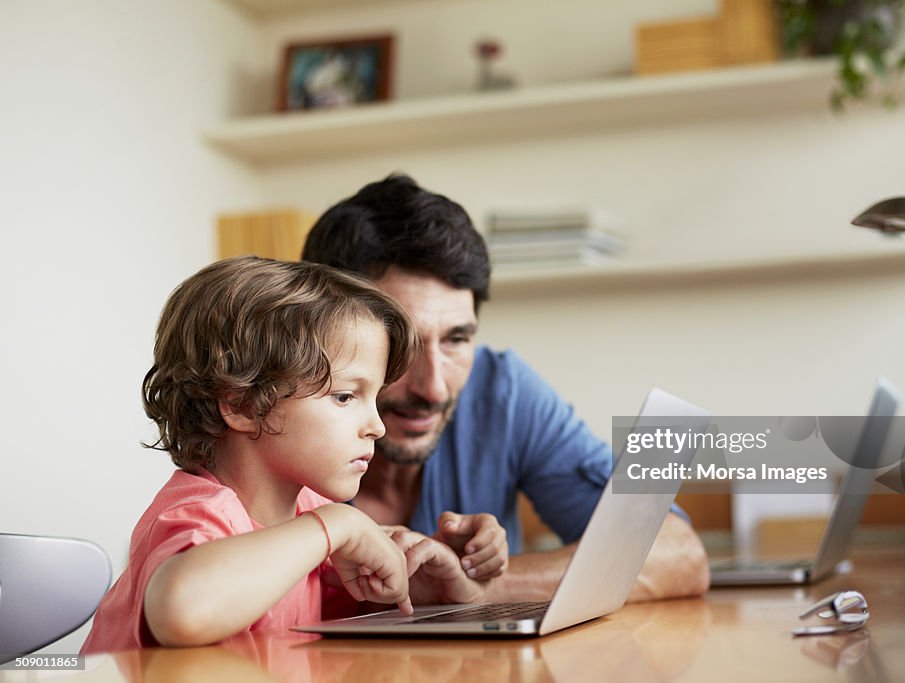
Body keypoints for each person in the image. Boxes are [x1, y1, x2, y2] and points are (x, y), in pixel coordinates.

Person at [302, 174, 710, 601]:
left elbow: (677, 553)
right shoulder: (275, 416)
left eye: (457, 339)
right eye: (400, 343)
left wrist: (470, 586)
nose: (435, 388)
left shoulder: (502, 392)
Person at [82, 256, 503, 653]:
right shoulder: (200, 513)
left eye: (374, 397)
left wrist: (416, 586)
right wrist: (335, 527)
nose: (377, 426)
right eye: (345, 396)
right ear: (243, 405)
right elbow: (183, 611)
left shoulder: (307, 514)